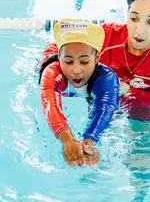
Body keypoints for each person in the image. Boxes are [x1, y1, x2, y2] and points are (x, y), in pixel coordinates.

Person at [44, 0, 150, 121]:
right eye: (134, 18)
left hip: (142, 115)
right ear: (127, 13)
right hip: (100, 103)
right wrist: (50, 68)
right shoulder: (105, 36)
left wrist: (127, 91)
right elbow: (59, 45)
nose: (139, 30)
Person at [39, 19, 120, 167]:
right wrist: (67, 140)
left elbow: (106, 109)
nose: (76, 70)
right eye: (68, 62)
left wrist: (90, 142)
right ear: (60, 59)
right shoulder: (51, 72)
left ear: (97, 59)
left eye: (84, 62)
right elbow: (50, 104)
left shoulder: (106, 77)